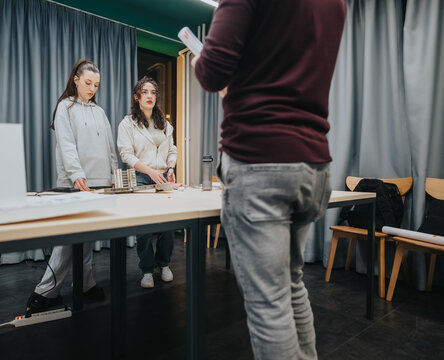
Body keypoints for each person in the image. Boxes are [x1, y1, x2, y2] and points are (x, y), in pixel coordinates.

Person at [193, 1, 346, 359]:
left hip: (261, 159)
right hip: (313, 162)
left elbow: (213, 72)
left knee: (269, 304)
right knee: (291, 285)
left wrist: (201, 61)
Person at [26, 59, 118, 315]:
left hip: (100, 182)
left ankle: (85, 282)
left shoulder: (99, 112)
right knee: (68, 239)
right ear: (76, 80)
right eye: (88, 83)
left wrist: (114, 174)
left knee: (87, 238)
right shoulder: (64, 107)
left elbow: (109, 147)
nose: (92, 88)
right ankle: (45, 291)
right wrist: (77, 174)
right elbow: (66, 144)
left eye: (96, 85)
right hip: (75, 181)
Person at [117, 76, 178, 289]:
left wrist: (170, 167)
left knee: (168, 226)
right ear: (137, 97)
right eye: (145, 92)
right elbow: (127, 155)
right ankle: (147, 270)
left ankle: (164, 264)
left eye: (153, 92)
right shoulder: (128, 123)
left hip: (163, 176)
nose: (150, 96)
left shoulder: (164, 123)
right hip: (142, 177)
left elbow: (172, 149)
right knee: (143, 228)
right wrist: (150, 171)